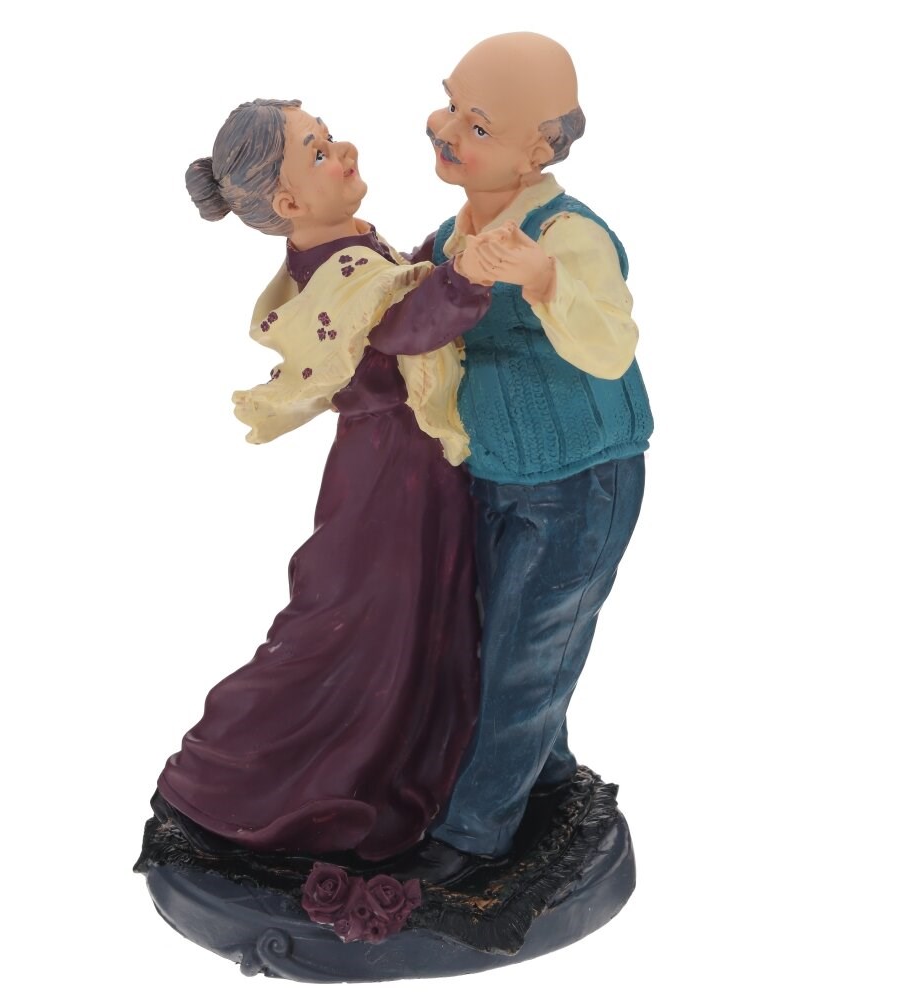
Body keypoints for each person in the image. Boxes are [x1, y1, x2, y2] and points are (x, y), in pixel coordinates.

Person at [153, 99, 494, 862]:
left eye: (330, 136)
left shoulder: (343, 252)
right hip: (391, 477)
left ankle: (406, 756)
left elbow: (390, 292)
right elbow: (400, 328)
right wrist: (465, 278)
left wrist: (438, 258)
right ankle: (238, 771)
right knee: (356, 618)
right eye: (318, 151)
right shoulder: (335, 273)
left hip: (408, 464)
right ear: (289, 204)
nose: (344, 150)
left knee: (418, 616)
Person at [395, 33, 654, 885]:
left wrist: (545, 282)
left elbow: (611, 346)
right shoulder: (451, 234)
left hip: (581, 478)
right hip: (493, 471)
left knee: (528, 659)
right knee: (490, 642)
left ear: (537, 150)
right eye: (449, 104)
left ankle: (474, 839)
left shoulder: (568, 236)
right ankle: (546, 781)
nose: (444, 130)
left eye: (477, 125)